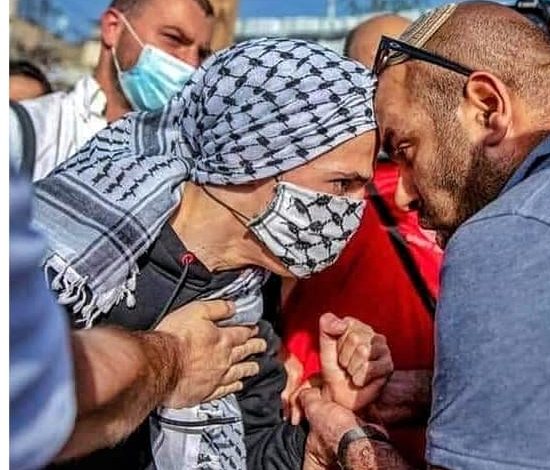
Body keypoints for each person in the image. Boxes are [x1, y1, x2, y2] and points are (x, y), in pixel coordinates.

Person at [32, 38, 393, 470]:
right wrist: (166, 362)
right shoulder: (69, 260)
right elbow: (22, 398)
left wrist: (319, 434)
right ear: (252, 156)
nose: (356, 208)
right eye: (342, 184)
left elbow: (251, 446)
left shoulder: (245, 295)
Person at [301, 2, 550, 469]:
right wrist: (432, 390)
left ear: (486, 108)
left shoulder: (513, 235)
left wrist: (349, 443)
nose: (400, 193)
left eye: (405, 149)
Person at [10, 165, 266, 469]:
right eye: (337, 184)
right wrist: (173, 359)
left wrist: (309, 452)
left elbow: (258, 438)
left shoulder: (243, 311)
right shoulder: (72, 268)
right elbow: (35, 396)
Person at [279, 12, 441, 469]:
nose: (398, 87)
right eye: (380, 73)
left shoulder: (464, 186)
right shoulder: (317, 188)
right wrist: (287, 374)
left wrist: (429, 388)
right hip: (333, 442)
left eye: (414, 68)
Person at [9, 0, 215, 181]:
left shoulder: (186, 165)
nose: (192, 64)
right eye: (174, 39)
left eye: (202, 54)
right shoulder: (30, 131)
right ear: (112, 28)